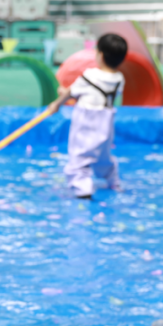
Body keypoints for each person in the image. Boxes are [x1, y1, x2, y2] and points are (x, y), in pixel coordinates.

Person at [41, 33, 127, 200]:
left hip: (86, 121)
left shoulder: (90, 75)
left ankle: (83, 190)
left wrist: (57, 103)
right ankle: (113, 181)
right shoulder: (119, 79)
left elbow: (71, 92)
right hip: (105, 122)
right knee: (103, 156)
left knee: (80, 156)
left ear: (100, 55)